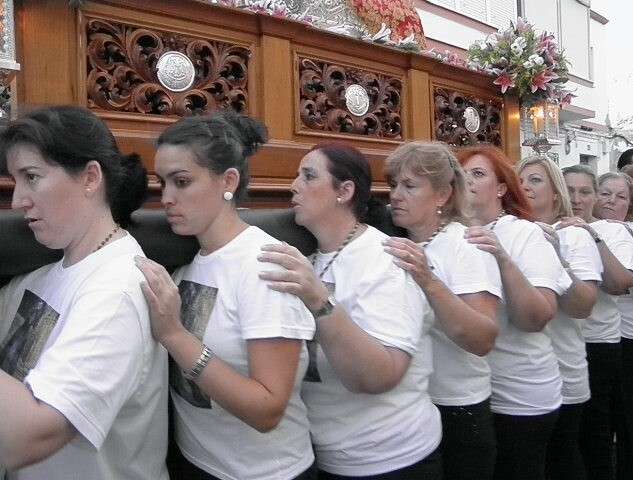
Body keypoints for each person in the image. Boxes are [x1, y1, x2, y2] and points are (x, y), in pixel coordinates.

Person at [134, 111, 317, 480]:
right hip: (194, 461)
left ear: (228, 181)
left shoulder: (264, 265)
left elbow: (266, 409)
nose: (166, 197)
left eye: (182, 182)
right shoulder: (191, 259)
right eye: (163, 182)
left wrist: (175, 336)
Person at [0, 106, 169, 479]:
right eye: (15, 180)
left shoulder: (118, 291)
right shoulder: (43, 275)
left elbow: (28, 436)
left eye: (32, 177)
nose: (17, 201)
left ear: (90, 178)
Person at [259, 143, 442, 479]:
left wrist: (320, 301)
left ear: (344, 191)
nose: (293, 186)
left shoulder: (384, 260)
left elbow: (382, 374)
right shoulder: (310, 260)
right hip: (325, 455)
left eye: (308, 176)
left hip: (393, 459)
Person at [383, 142, 501, 480]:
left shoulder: (464, 245)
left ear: (442, 195)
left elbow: (482, 338)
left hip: (458, 409)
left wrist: (428, 280)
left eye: (409, 186)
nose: (395, 195)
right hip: (411, 411)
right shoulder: (396, 242)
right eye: (394, 184)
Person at [456, 145, 569, 480]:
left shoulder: (524, 233)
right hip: (471, 393)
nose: (467, 180)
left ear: (502, 188)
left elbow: (537, 318)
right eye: (461, 174)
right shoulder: (451, 234)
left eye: (478, 174)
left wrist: (503, 258)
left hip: (520, 392)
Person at [517, 156, 601, 480]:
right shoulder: (509, 233)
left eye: (535, 180)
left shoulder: (572, 235)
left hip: (562, 369)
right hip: (519, 377)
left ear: (555, 193)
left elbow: (582, 306)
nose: (525, 186)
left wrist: (555, 257)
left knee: (562, 460)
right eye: (520, 180)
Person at [561, 165, 633, 480]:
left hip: (603, 343)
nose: (576, 199)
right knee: (568, 435)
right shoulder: (548, 226)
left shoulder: (615, 231)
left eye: (585, 192)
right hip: (562, 343)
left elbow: (620, 283)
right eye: (569, 190)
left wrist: (590, 236)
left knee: (597, 431)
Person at [592, 172, 633, 480]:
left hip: (631, 339)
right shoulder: (576, 228)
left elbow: (626, 282)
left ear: (630, 204)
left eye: (621, 197)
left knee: (628, 419)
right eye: (605, 193)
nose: (611, 201)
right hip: (596, 338)